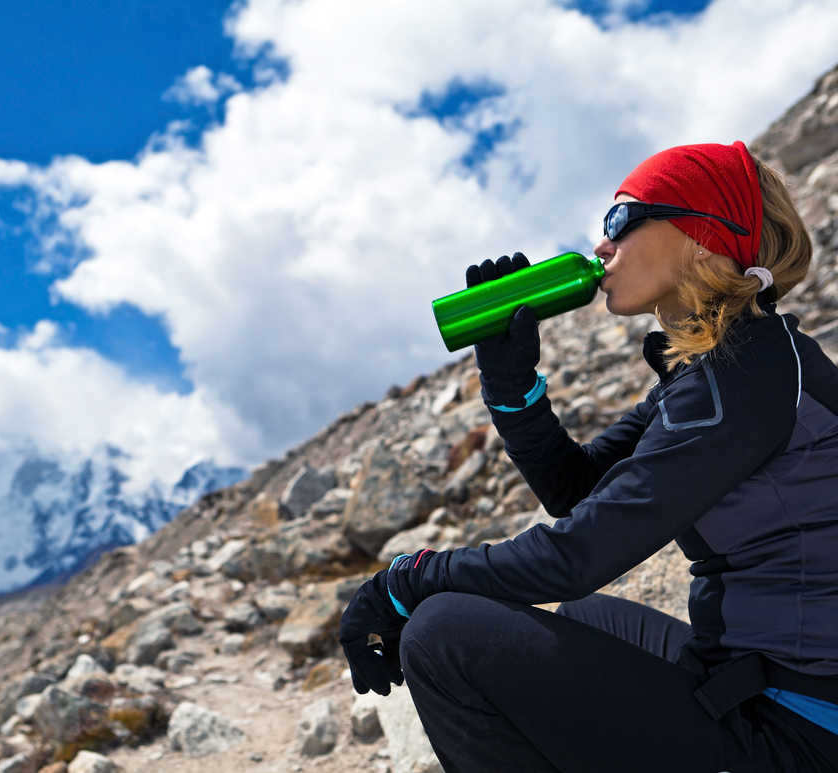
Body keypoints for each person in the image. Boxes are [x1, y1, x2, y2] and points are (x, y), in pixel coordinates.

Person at [338, 140, 838, 772]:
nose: (601, 245)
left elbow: (577, 555)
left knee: (444, 635)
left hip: (799, 733)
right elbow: (578, 491)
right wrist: (511, 386)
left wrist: (403, 582)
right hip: (764, 683)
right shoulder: (734, 366)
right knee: (581, 620)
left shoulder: (742, 378)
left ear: (701, 231)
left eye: (621, 221)